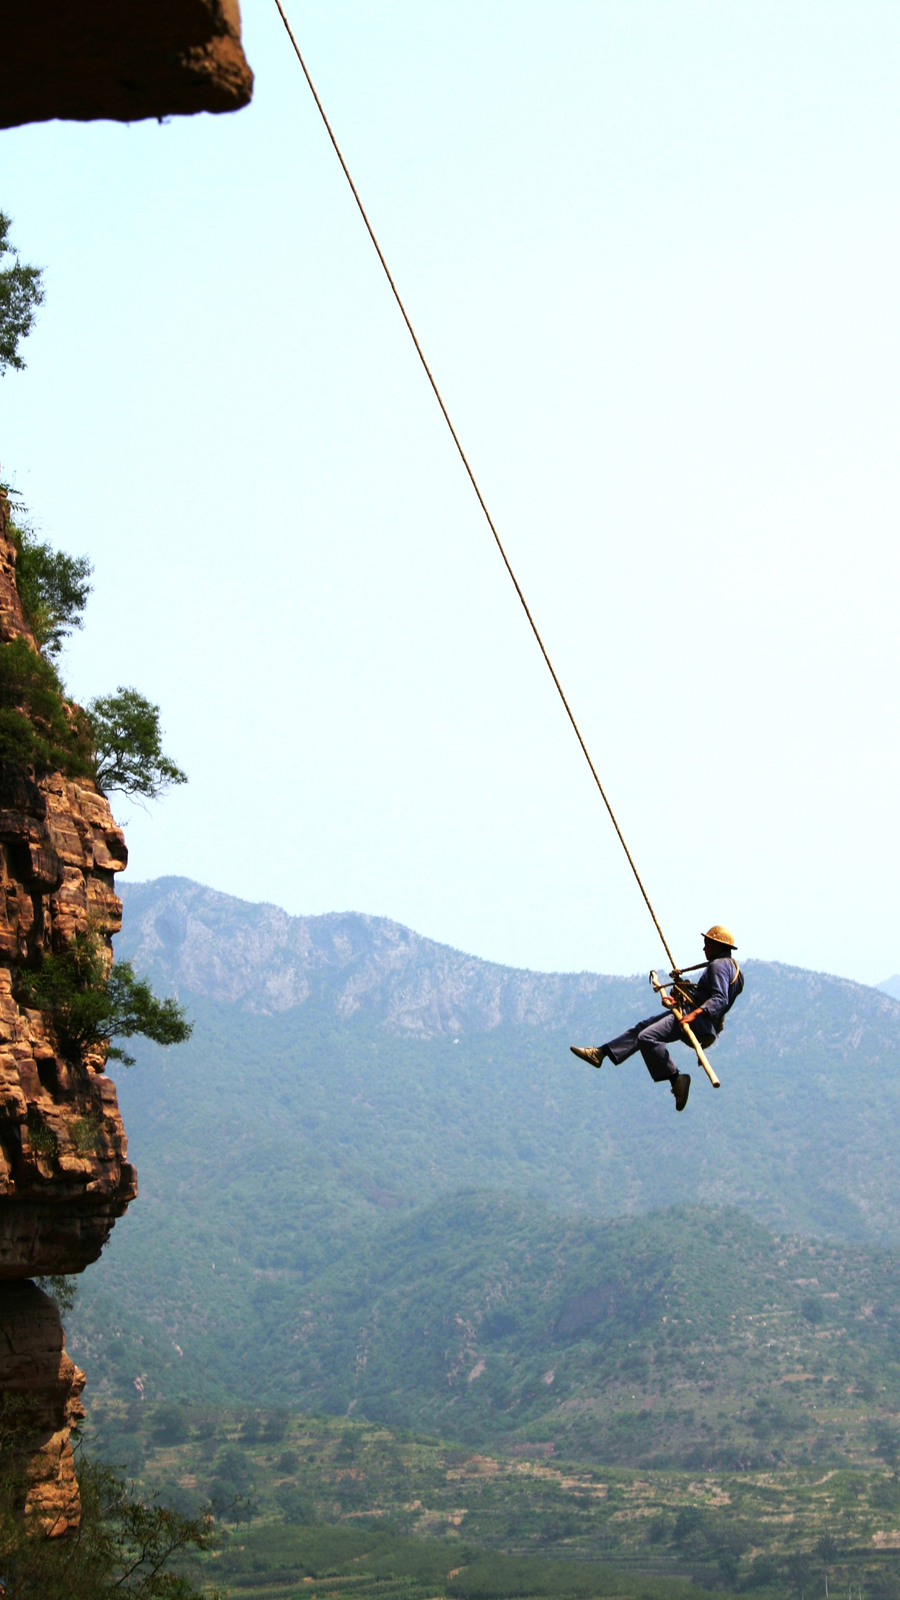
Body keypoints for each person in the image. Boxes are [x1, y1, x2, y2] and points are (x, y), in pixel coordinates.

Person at [570, 924, 743, 1113]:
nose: (704, 949)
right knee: (642, 1027)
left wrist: (693, 1014)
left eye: (706, 944)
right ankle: (601, 1053)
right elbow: (709, 995)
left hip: (696, 1020)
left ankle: (677, 1079)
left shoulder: (718, 966)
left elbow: (720, 999)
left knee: (647, 1037)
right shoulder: (733, 969)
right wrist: (678, 999)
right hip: (693, 1015)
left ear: (716, 945)